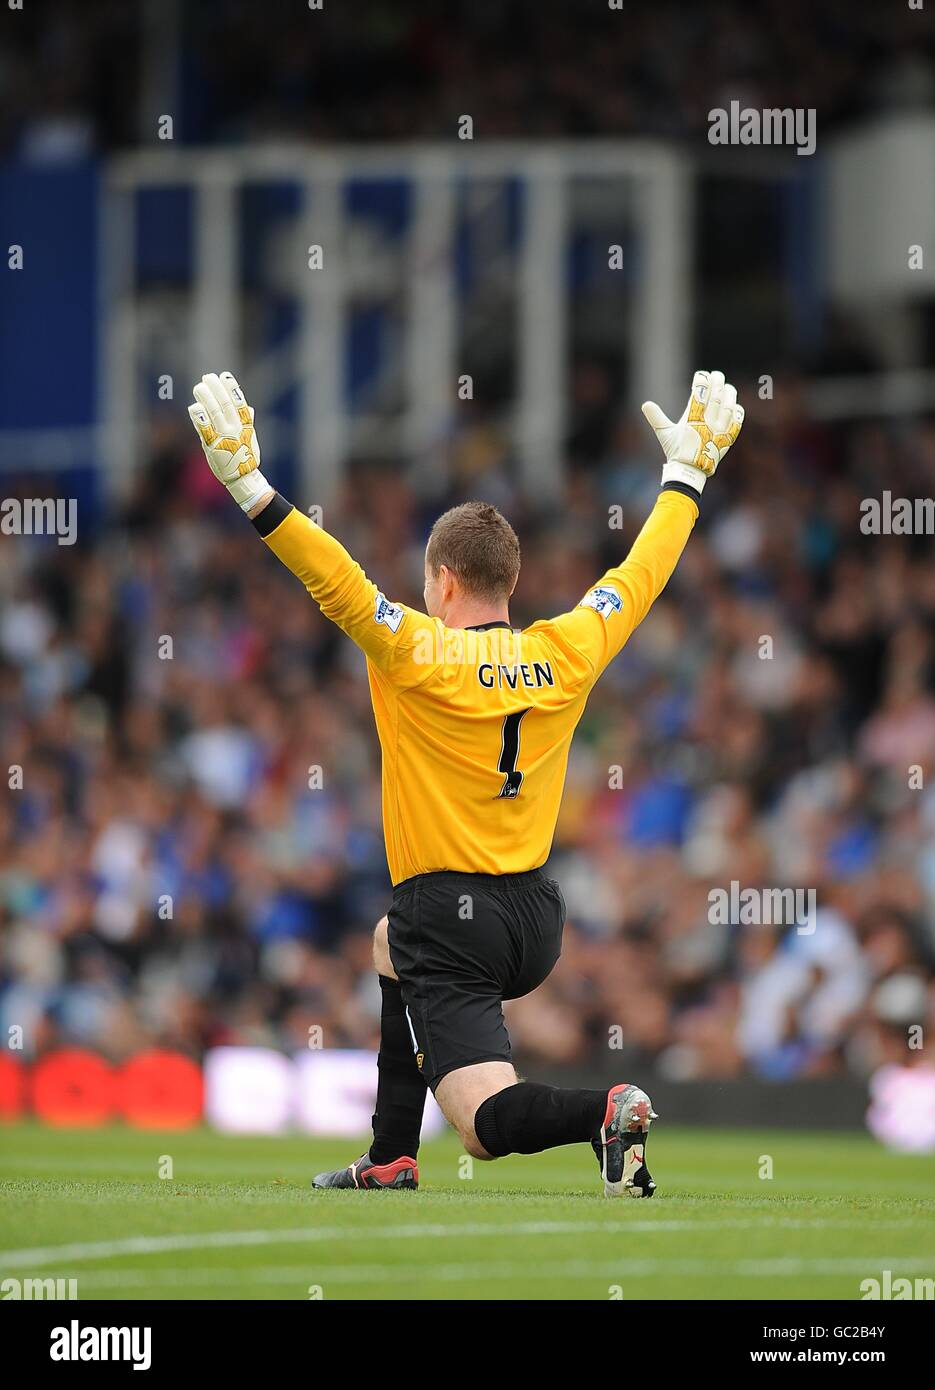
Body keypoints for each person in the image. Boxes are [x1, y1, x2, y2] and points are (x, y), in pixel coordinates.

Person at [188, 368, 743, 1196]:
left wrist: (249, 484)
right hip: (535, 918)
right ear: (507, 584)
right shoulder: (567, 647)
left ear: (442, 580)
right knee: (386, 945)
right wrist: (685, 480)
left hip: (447, 915)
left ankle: (604, 1110)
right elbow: (640, 575)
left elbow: (335, 579)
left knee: (485, 1128)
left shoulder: (415, 650)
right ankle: (389, 1156)